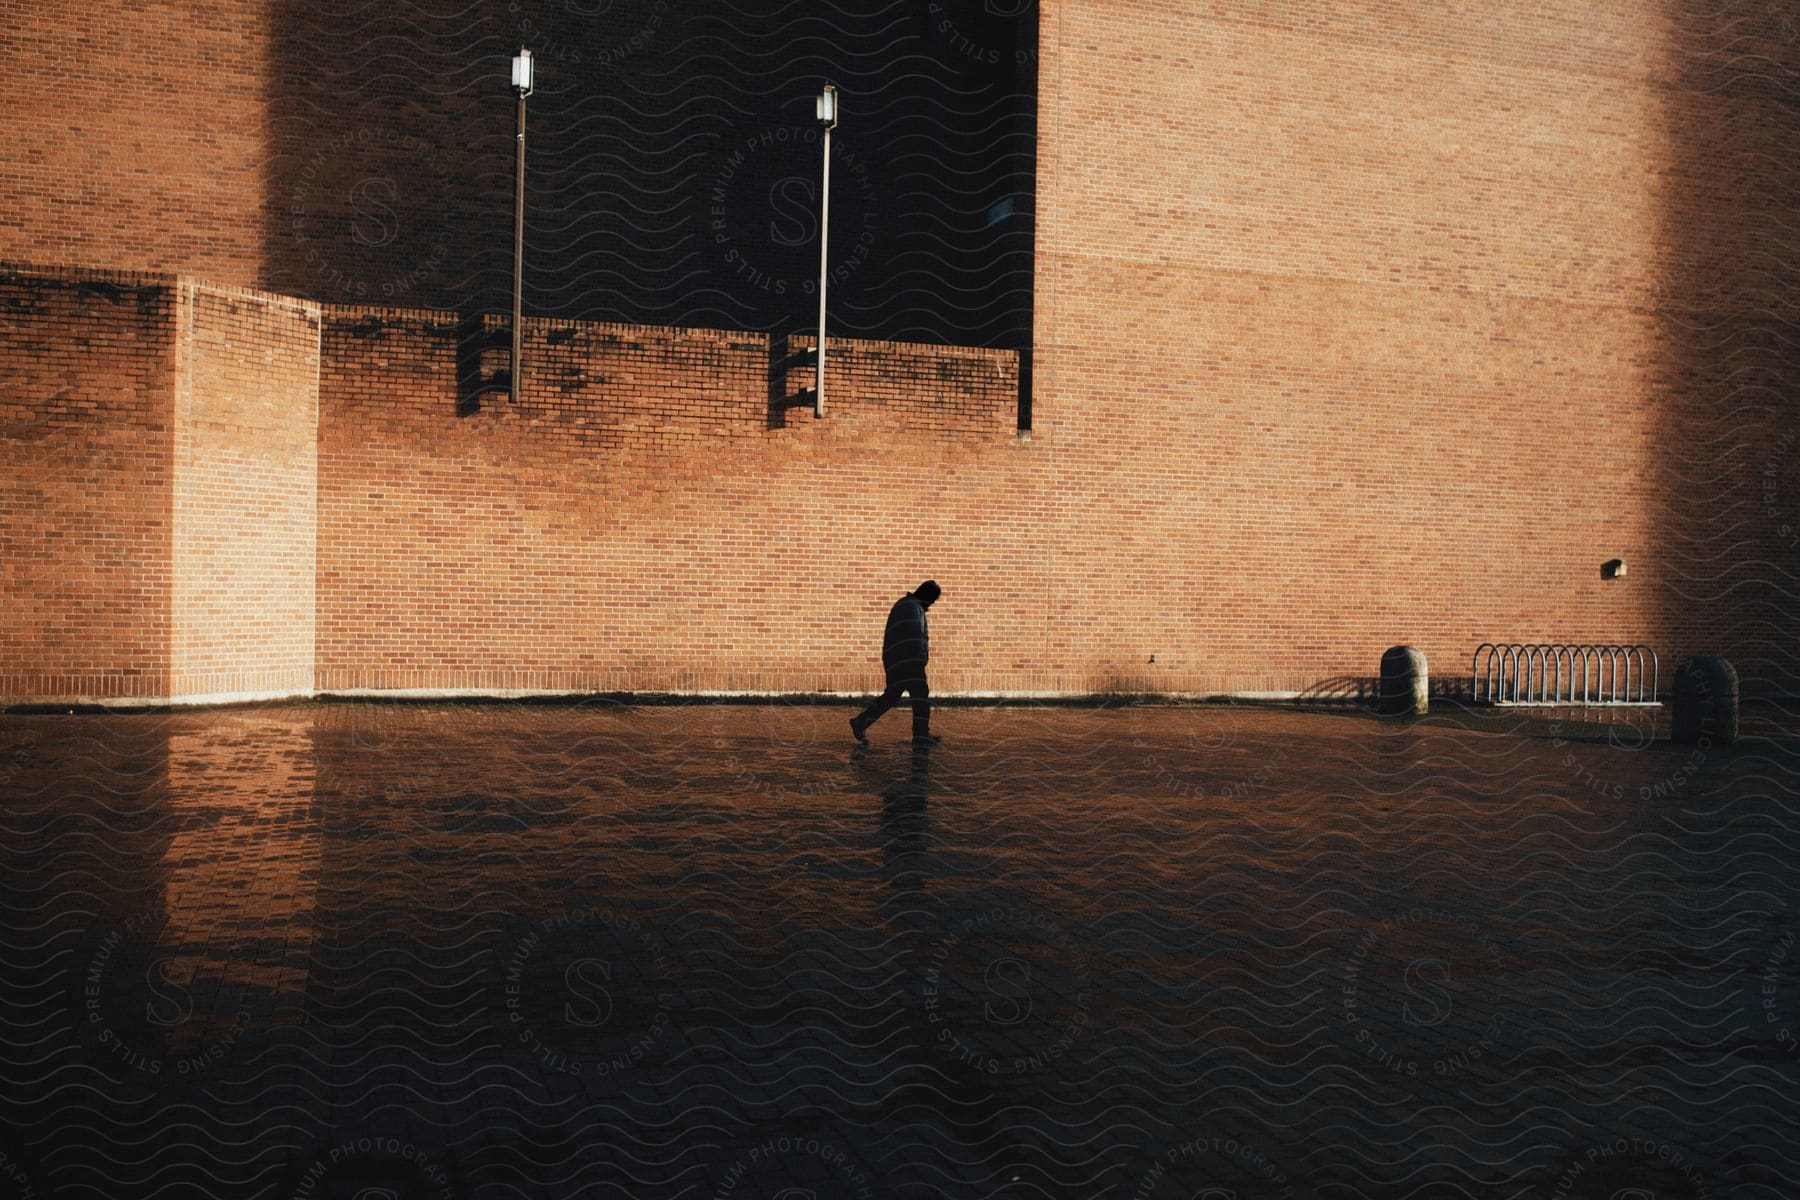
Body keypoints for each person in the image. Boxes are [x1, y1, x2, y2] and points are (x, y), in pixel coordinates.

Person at [850, 581, 941, 745]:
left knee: (892, 695)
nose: (932, 605)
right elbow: (916, 638)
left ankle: (861, 722)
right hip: (909, 661)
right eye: (932, 601)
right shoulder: (915, 609)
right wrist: (920, 660)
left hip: (895, 659)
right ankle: (921, 736)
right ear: (928, 597)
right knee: (921, 697)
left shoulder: (904, 604)